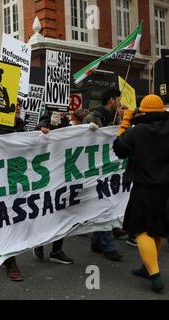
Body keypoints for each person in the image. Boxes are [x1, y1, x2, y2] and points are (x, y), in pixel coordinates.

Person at [113, 94, 169, 293]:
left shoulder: (138, 131)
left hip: (144, 187)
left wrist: (126, 121)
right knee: (157, 228)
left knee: (141, 230)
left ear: (143, 111)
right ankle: (147, 268)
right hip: (165, 188)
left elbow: (119, 148)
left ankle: (154, 274)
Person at [83, 88, 123, 262]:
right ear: (112, 100)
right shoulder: (92, 117)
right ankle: (107, 245)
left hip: (110, 167)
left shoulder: (117, 118)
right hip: (95, 168)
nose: (120, 104)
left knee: (106, 203)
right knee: (105, 203)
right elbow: (79, 141)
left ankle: (98, 241)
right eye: (119, 100)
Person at [33, 111, 74, 265]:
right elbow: (40, 126)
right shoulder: (47, 118)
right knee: (46, 211)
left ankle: (56, 250)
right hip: (47, 173)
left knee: (62, 212)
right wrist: (46, 126)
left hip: (62, 173)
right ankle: (40, 242)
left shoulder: (66, 122)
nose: (64, 111)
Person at [0, 99, 25, 281]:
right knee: (6, 219)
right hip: (0, 179)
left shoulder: (21, 125)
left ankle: (8, 258)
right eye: (15, 106)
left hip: (18, 177)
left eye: (20, 105)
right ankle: (10, 261)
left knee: (15, 218)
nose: (19, 108)